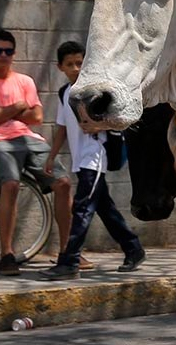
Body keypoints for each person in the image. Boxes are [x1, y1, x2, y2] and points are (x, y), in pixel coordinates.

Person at [40, 42, 145, 280]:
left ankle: (69, 261)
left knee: (82, 207)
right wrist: (52, 155)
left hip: (95, 156)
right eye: (70, 64)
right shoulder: (65, 93)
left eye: (80, 62)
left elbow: (112, 121)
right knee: (105, 209)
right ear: (60, 67)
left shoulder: (92, 92)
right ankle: (133, 248)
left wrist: (95, 125)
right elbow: (62, 128)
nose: (76, 68)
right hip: (80, 159)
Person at [0, 30, 74, 276]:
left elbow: (38, 117)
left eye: (8, 51)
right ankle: (7, 254)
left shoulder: (25, 82)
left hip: (29, 139)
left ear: (14, 53)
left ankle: (67, 252)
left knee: (63, 183)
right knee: (10, 184)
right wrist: (19, 106)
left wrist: (8, 112)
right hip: (1, 142)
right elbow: (27, 112)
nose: (4, 55)